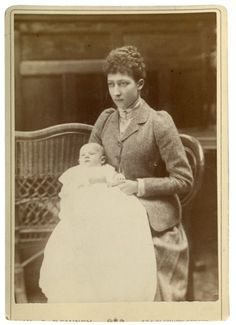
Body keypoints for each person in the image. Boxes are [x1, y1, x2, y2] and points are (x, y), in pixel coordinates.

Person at [89, 45, 194, 301]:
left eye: (123, 83)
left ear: (140, 84)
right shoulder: (105, 120)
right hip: (111, 210)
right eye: (111, 84)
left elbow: (184, 180)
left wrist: (140, 187)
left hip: (152, 215)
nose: (116, 91)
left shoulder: (158, 122)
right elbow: (88, 166)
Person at [39, 142, 157, 302]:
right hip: (84, 201)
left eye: (91, 154)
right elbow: (67, 190)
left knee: (122, 210)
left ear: (102, 159)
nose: (86, 156)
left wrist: (117, 179)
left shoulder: (107, 169)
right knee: (83, 216)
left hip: (106, 199)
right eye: (83, 155)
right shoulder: (75, 172)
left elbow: (115, 181)